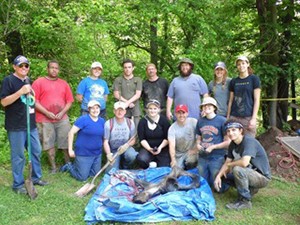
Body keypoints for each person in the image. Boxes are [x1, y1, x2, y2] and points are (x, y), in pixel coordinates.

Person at [0, 55, 48, 195]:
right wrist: (20, 92)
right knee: (18, 156)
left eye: (26, 65)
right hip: (16, 126)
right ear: (14, 67)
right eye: (20, 65)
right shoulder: (8, 81)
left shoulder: (28, 80)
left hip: (30, 125)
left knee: (36, 150)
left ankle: (36, 177)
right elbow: (3, 102)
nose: (24, 68)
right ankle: (18, 184)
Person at [214, 120, 271, 210]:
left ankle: (245, 202)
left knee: (237, 169)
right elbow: (227, 162)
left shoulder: (249, 142)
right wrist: (218, 176)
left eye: (233, 130)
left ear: (240, 130)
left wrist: (230, 165)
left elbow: (244, 163)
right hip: (248, 173)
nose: (230, 133)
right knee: (220, 174)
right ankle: (250, 189)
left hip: (261, 177)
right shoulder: (232, 144)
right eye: (228, 131)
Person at [32, 60, 74, 174]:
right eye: (52, 67)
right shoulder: (38, 82)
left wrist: (62, 112)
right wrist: (46, 112)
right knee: (48, 143)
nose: (54, 70)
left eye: (56, 68)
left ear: (58, 70)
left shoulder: (64, 84)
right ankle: (53, 167)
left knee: (65, 140)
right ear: (47, 69)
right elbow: (34, 101)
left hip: (62, 118)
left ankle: (68, 164)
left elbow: (69, 101)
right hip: (44, 118)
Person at [60, 100, 105, 181]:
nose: (95, 110)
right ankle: (69, 166)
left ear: (99, 109)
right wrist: (70, 150)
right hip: (84, 153)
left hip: (97, 154)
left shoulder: (102, 121)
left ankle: (83, 167)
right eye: (92, 108)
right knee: (82, 178)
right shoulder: (83, 119)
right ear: (88, 109)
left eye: (97, 108)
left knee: (94, 175)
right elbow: (71, 133)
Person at [195, 97, 230, 191]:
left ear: (214, 107)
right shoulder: (200, 121)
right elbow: (198, 138)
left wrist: (213, 147)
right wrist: (198, 145)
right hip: (203, 156)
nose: (206, 107)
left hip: (217, 156)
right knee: (202, 184)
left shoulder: (222, 120)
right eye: (204, 105)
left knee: (218, 188)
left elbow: (228, 142)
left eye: (209, 105)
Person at [227, 56, 261, 137]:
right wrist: (228, 117)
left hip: (248, 116)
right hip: (234, 116)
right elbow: (231, 100)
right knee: (234, 142)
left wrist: (253, 118)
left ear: (247, 64)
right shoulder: (233, 81)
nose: (241, 66)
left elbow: (257, 99)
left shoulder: (254, 79)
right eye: (238, 64)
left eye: (243, 63)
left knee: (249, 142)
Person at [103, 101, 138, 171]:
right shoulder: (108, 123)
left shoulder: (130, 122)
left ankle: (125, 166)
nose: (119, 112)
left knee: (131, 155)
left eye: (121, 110)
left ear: (125, 111)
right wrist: (109, 154)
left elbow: (133, 139)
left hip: (126, 148)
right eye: (117, 110)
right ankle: (116, 165)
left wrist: (126, 146)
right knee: (110, 172)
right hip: (114, 150)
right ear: (114, 111)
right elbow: (105, 141)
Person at [136, 99, 171, 168]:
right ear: (147, 110)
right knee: (142, 159)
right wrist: (149, 149)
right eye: (150, 108)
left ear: (159, 110)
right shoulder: (142, 122)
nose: (152, 111)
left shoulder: (164, 121)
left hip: (162, 148)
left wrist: (160, 148)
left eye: (155, 108)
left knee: (164, 166)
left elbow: (167, 137)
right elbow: (142, 139)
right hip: (147, 148)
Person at [113, 59, 143, 129]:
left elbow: (138, 94)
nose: (127, 69)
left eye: (129, 67)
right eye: (125, 67)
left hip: (135, 107)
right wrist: (127, 103)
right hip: (122, 107)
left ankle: (136, 140)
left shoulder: (138, 80)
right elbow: (116, 94)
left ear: (133, 68)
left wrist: (129, 102)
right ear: (123, 68)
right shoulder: (118, 80)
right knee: (123, 127)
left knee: (136, 127)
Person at [168, 104, 198, 169]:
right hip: (179, 154)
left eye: (183, 113)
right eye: (179, 113)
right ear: (175, 114)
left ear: (187, 113)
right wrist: (173, 159)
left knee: (191, 162)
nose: (181, 115)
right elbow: (172, 146)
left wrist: (195, 150)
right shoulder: (172, 128)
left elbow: (200, 137)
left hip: (192, 151)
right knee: (176, 170)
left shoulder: (194, 122)